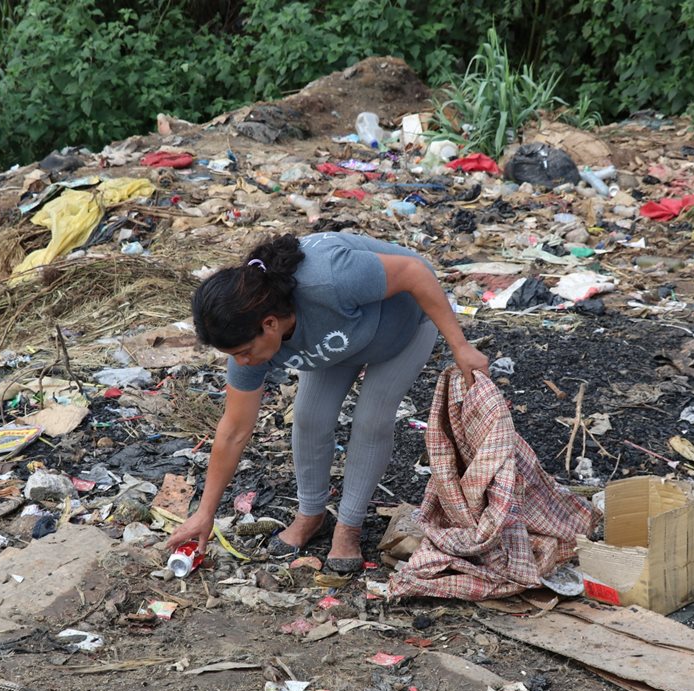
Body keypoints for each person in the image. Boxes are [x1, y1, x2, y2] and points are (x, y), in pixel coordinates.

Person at [164, 231, 489, 573]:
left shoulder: (330, 280)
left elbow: (414, 272)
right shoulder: (248, 346)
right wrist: (205, 513)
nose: (243, 362)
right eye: (235, 355)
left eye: (244, 352)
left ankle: (349, 527)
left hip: (402, 327)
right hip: (334, 342)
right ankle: (311, 514)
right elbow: (233, 432)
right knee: (309, 418)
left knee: (371, 419)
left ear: (270, 324)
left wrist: (461, 347)